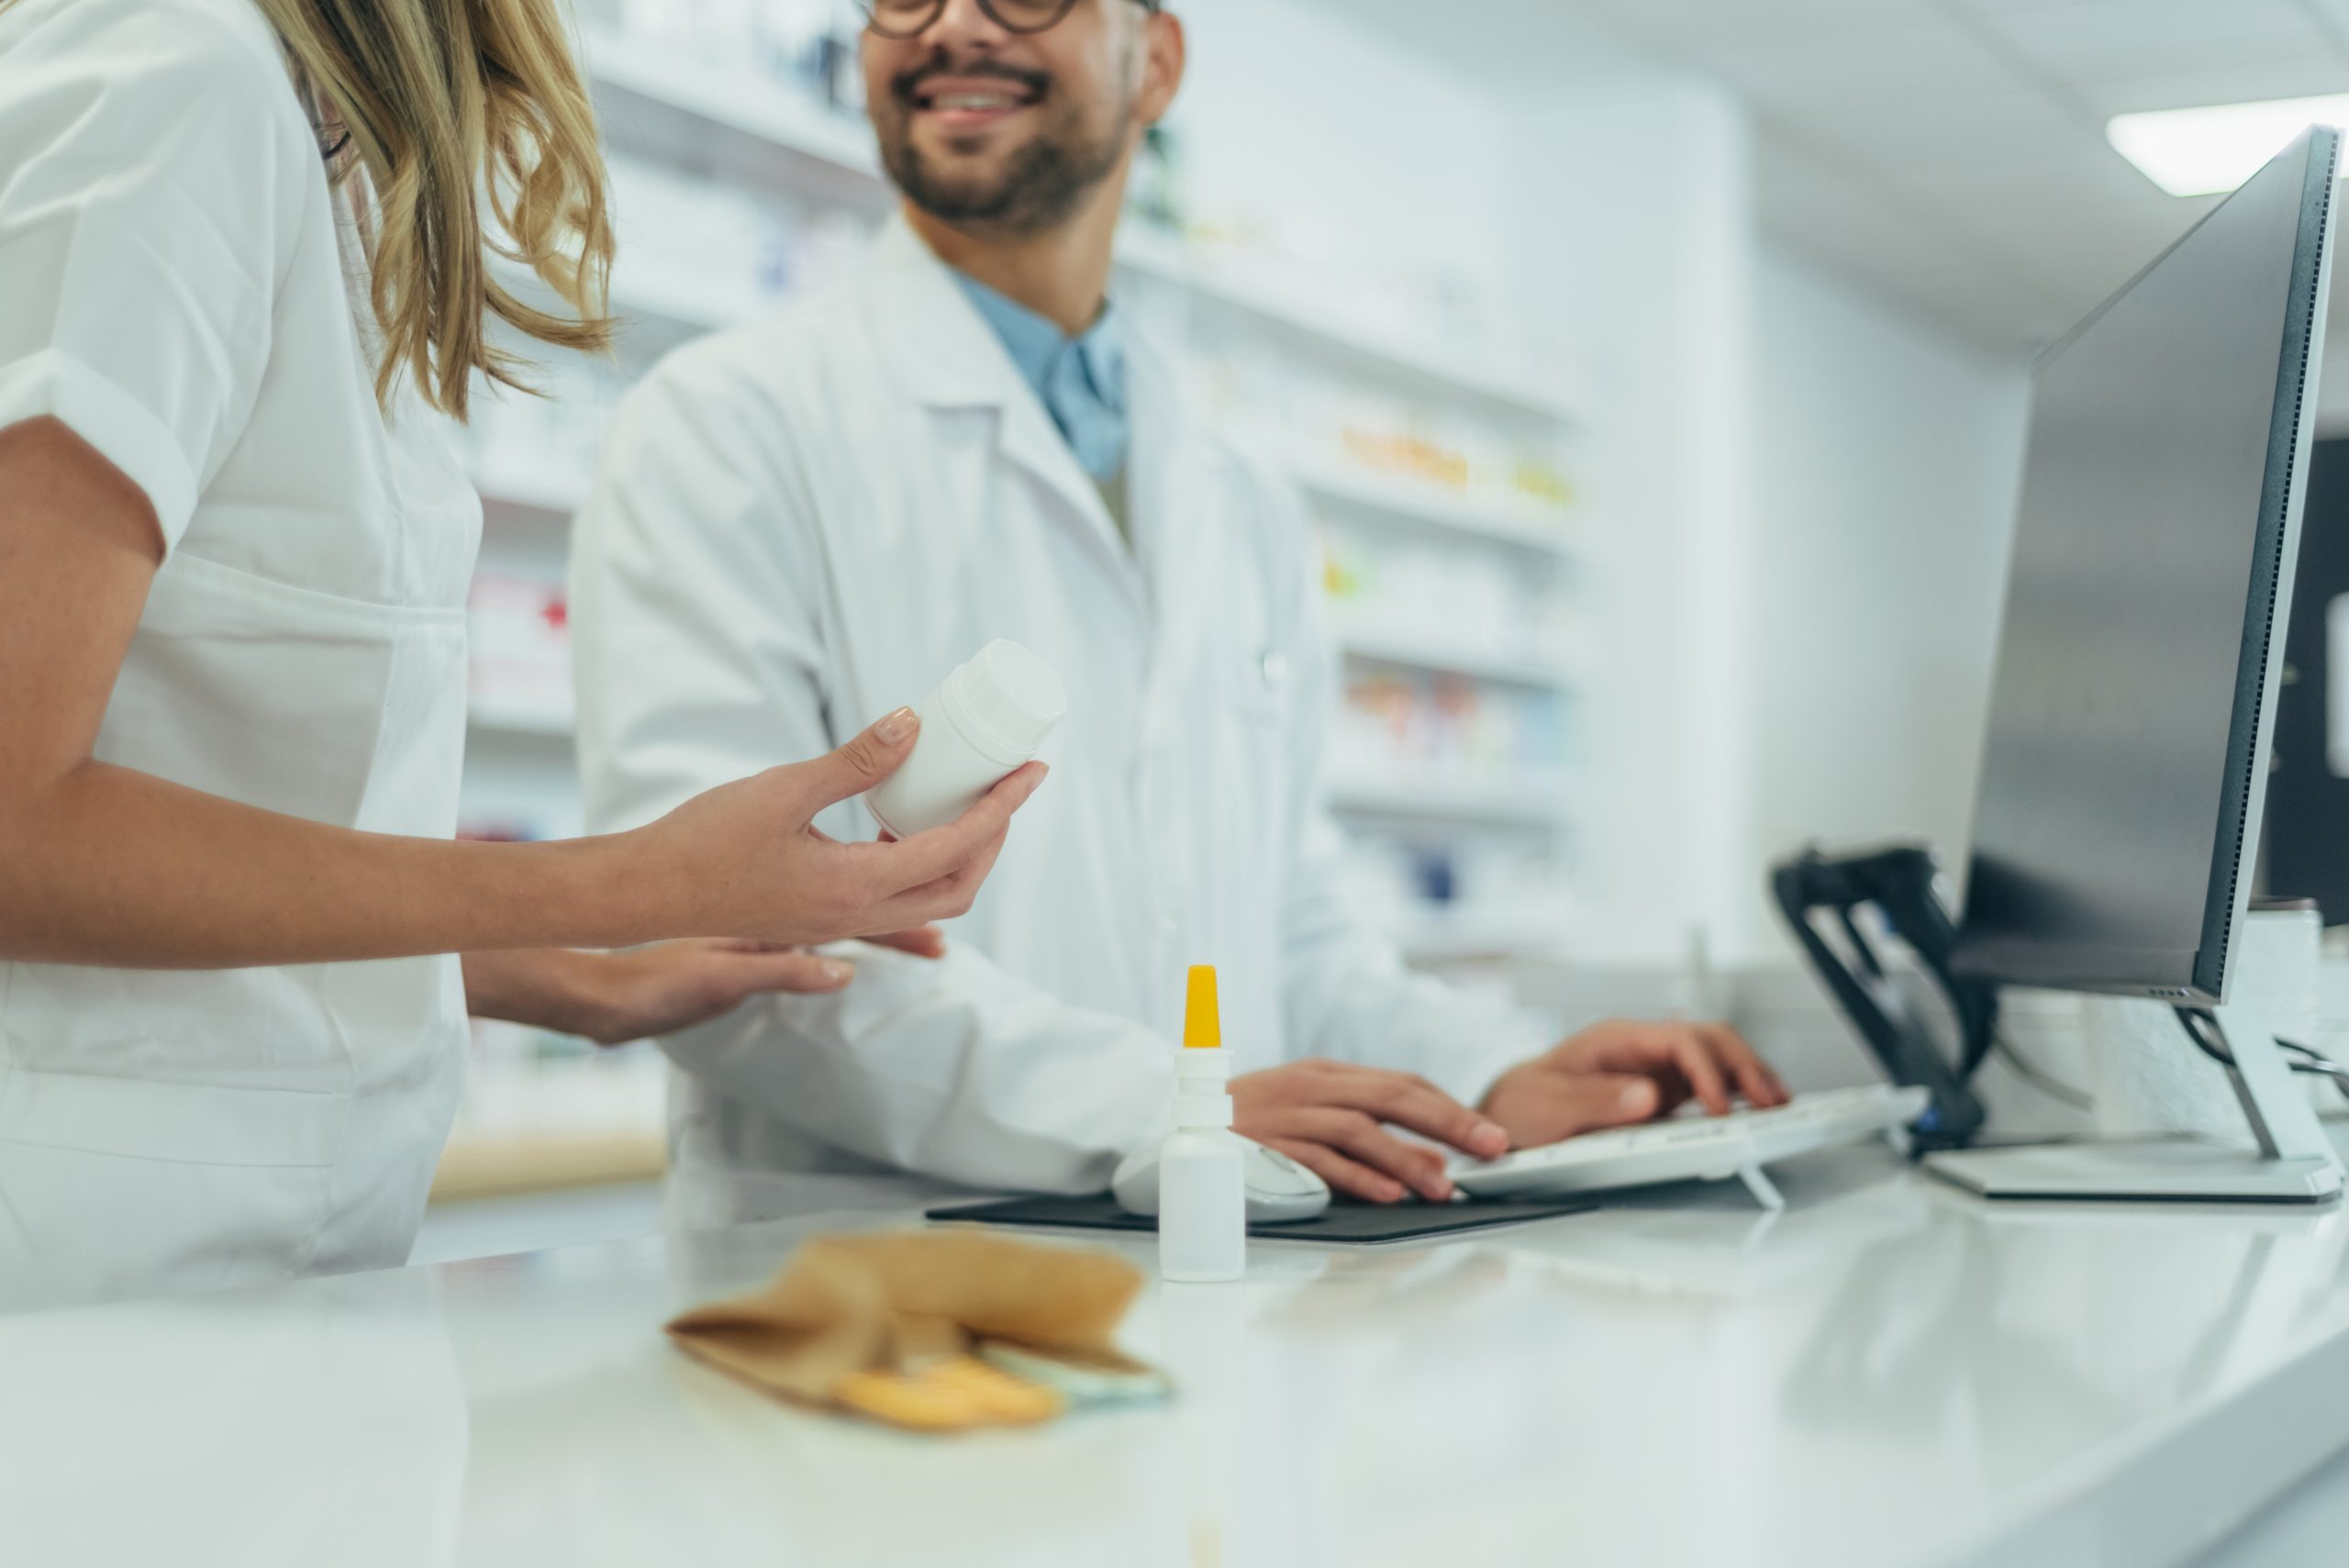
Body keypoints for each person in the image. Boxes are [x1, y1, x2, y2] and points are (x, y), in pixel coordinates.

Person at [572, 0, 1787, 1223]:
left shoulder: (1237, 490)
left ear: (1154, 62)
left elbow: (1290, 926)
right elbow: (719, 942)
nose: (950, 28)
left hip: (1239, 1275)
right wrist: (1165, 1100)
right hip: (880, 1285)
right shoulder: (724, 425)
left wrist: (1488, 1079)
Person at [0, 0, 1043, 1312]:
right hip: (79, 1287)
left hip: (268, 1264)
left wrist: (548, 973)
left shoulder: (325, 135)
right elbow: (15, 824)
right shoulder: (177, 74)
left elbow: (222, 778)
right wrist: (618, 886)